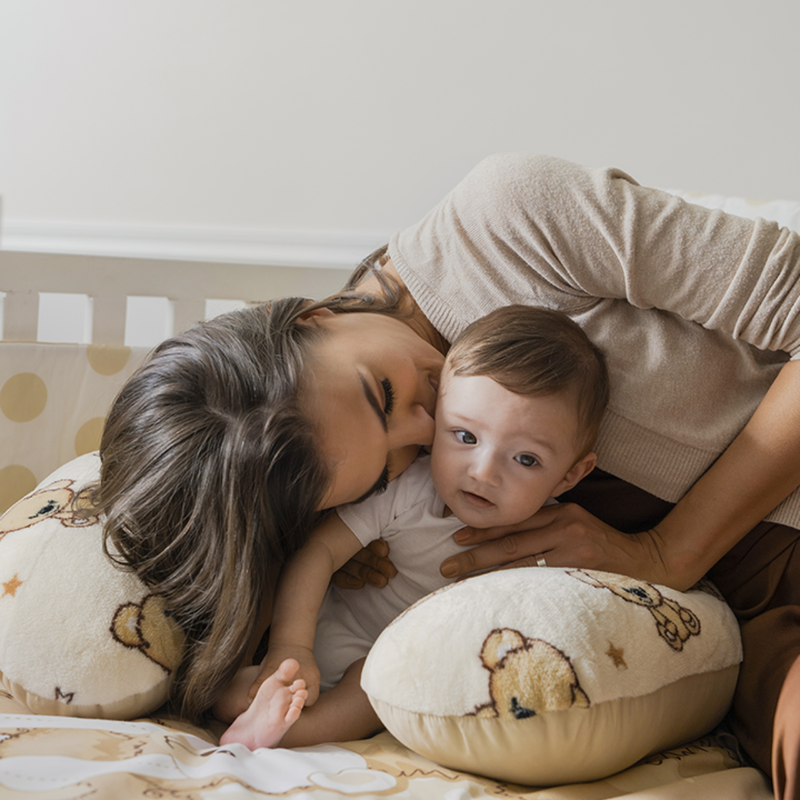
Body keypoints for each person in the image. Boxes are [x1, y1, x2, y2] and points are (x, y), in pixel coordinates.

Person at [95, 153, 800, 798]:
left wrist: (669, 551)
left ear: (313, 316)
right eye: (391, 464)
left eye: (383, 395)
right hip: (741, 621)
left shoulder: (507, 223)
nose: (424, 430)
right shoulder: (312, 481)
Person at [215, 305, 608, 749]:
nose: (483, 472)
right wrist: (291, 647)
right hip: (317, 630)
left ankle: (288, 732)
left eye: (525, 459)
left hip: (390, 668)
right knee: (241, 684)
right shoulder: (409, 486)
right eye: (464, 436)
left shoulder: (555, 540)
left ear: (572, 474)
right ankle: (255, 700)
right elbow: (319, 552)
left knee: (373, 681)